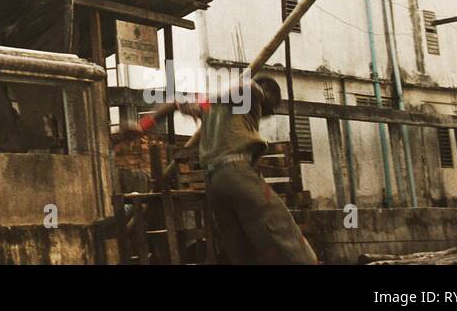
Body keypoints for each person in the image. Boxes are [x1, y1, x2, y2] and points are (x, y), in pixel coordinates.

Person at [118, 74, 319, 264]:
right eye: (269, 109)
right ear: (268, 97)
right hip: (237, 174)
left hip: (214, 181)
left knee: (239, 246)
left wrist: (143, 125)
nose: (265, 115)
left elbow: (174, 103)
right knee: (281, 230)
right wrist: (213, 99)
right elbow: (250, 87)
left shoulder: (212, 106)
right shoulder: (248, 96)